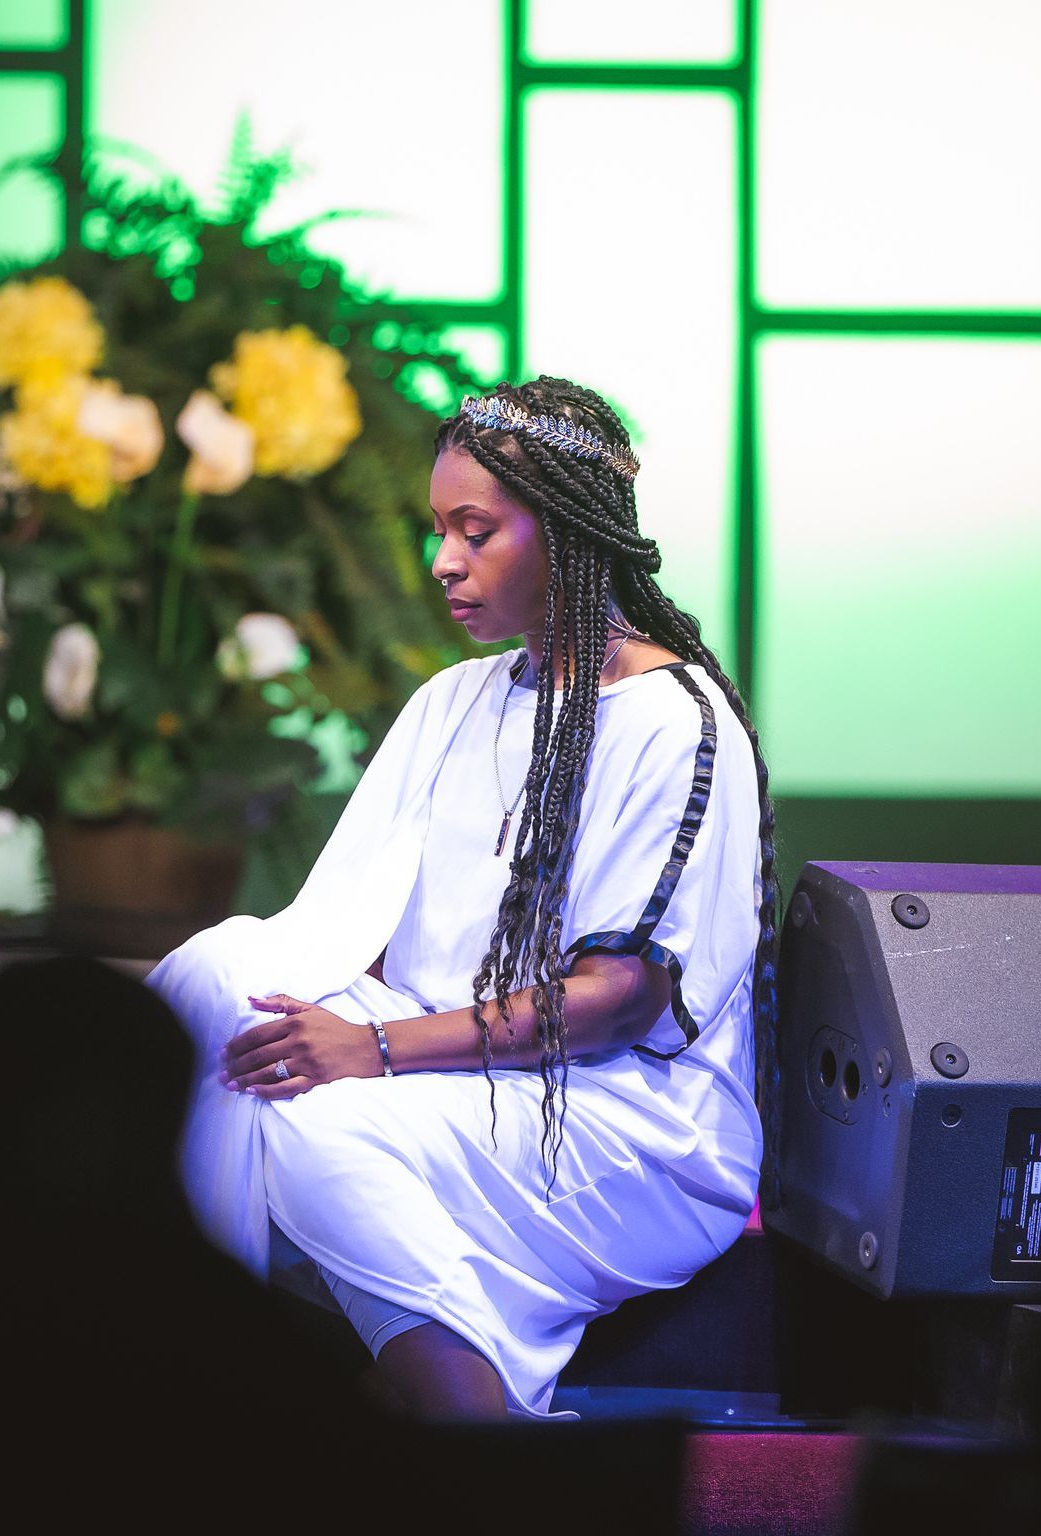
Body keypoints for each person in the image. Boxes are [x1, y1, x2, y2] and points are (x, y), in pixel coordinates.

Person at [146, 376, 781, 1421]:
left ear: (569, 534)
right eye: (438, 529)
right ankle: (199, 1373)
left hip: (628, 1116)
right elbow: (355, 937)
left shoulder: (673, 721)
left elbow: (619, 999)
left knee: (322, 1124)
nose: (442, 561)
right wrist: (311, 1017)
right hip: (467, 1067)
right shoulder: (457, 698)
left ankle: (472, 1432)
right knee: (213, 984)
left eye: (475, 531)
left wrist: (371, 1050)